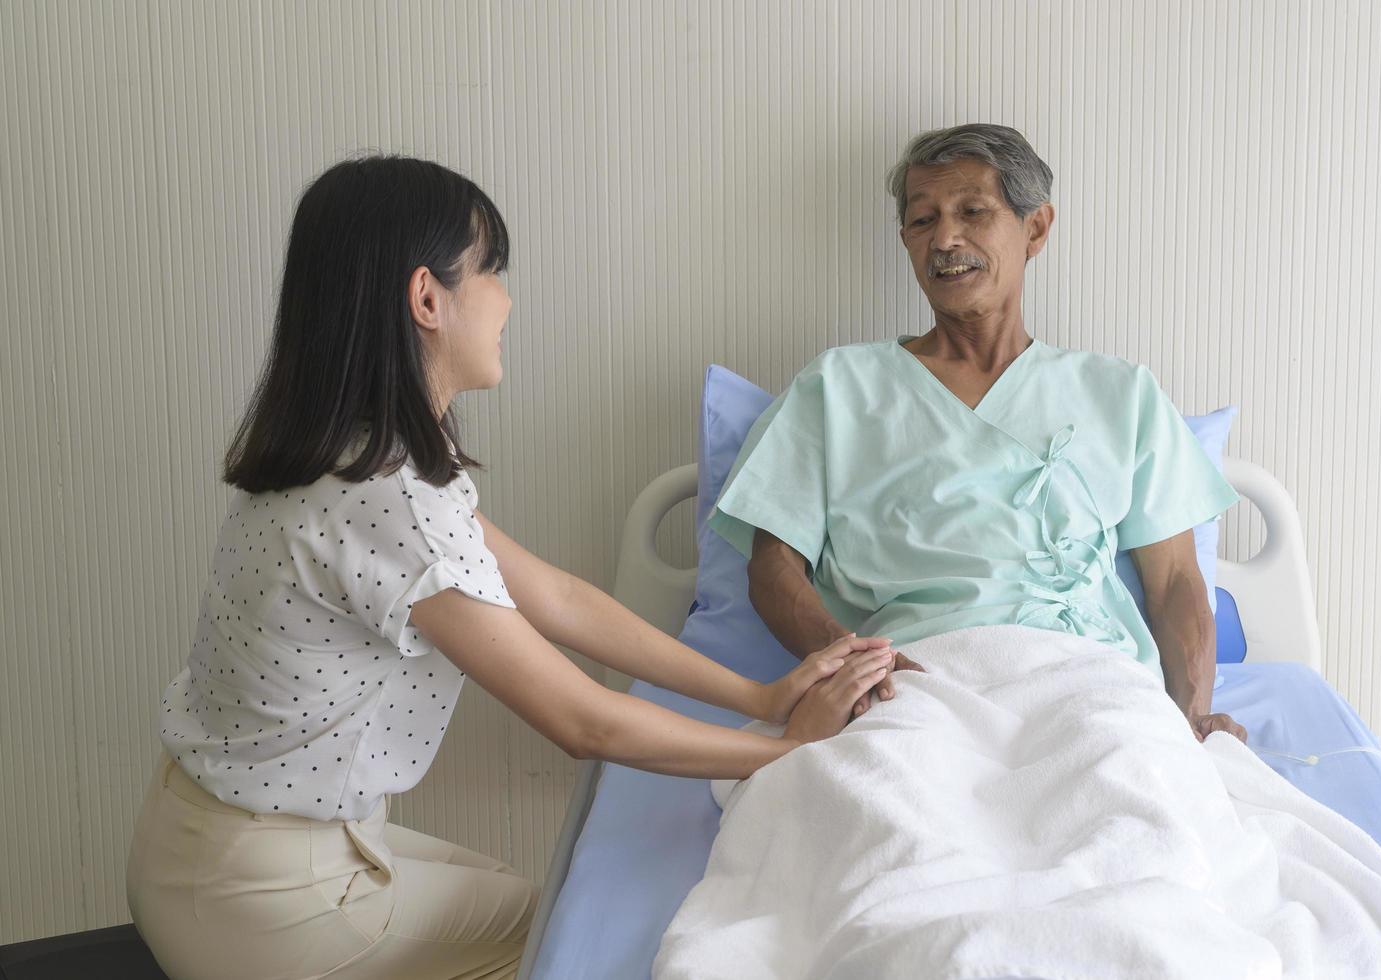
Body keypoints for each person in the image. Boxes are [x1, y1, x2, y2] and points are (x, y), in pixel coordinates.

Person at [125, 156, 894, 980]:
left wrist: (761, 696)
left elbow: (556, 598)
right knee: (579, 953)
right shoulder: (386, 499)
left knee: (547, 907)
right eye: (491, 270)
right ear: (427, 298)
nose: (507, 298)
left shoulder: (355, 456)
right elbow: (584, 725)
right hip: (265, 894)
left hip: (205, 842)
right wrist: (784, 752)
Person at [713, 123, 1247, 741]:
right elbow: (773, 564)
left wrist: (1189, 719)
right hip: (912, 676)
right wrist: (852, 662)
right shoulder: (837, 387)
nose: (944, 239)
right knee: (889, 815)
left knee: (1136, 811)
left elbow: (1178, 580)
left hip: (1088, 679)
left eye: (972, 211)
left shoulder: (1122, 394)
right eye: (921, 221)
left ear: (1036, 228)